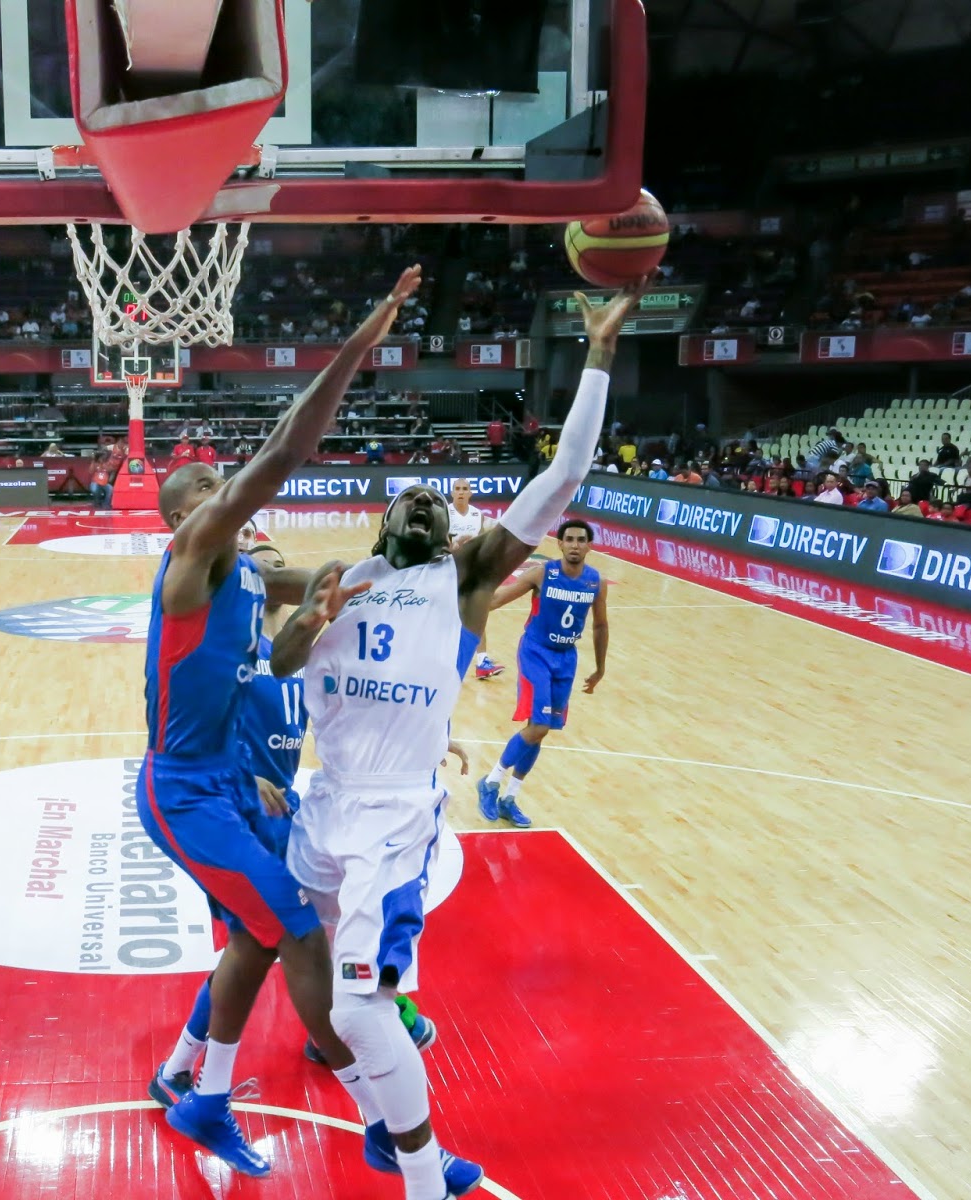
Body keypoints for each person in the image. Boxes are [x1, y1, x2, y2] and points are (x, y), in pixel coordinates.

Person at [268, 283, 642, 1200]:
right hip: (326, 800)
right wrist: (251, 582)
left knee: (364, 1000)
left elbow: (563, 481)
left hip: (396, 812)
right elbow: (259, 618)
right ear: (384, 521)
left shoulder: (466, 577)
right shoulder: (337, 575)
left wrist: (597, 352)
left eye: (439, 505)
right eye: (413, 502)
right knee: (290, 951)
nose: (426, 510)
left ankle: (425, 1176)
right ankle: (360, 1108)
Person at [141, 266, 423, 1179]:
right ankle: (377, 1115)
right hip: (185, 792)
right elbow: (285, 452)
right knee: (295, 931)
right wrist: (356, 349)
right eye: (218, 491)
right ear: (190, 516)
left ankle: (198, 1089)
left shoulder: (254, 575)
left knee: (256, 939)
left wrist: (422, 565)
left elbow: (338, 577)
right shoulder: (192, 561)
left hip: (230, 782)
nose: (235, 496)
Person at [475, 519, 610, 828]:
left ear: (589, 545)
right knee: (537, 727)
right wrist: (468, 599)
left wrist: (600, 667)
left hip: (567, 659)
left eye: (581, 540)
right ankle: (491, 781)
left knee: (540, 731)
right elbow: (496, 600)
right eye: (570, 539)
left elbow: (600, 625)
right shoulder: (542, 574)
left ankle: (510, 798)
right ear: (559, 544)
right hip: (535, 653)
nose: (575, 544)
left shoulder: (595, 583)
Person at [444, 480, 502, 680]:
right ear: (452, 493)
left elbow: (487, 540)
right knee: (450, 617)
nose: (461, 492)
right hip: (448, 570)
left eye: (464, 489)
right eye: (457, 489)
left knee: (477, 613)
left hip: (471, 570)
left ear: (470, 493)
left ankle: (482, 661)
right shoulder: (444, 513)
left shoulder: (478, 515)